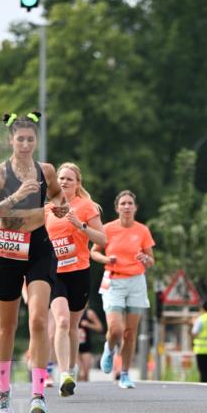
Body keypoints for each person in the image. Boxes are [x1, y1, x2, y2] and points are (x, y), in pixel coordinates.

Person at [0, 111, 66, 413]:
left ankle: (38, 395)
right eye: (20, 139)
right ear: (10, 140)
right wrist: (15, 196)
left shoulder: (47, 171)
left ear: (36, 140)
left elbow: (56, 194)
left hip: (39, 248)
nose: (25, 144)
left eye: (31, 139)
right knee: (7, 326)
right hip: (7, 251)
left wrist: (60, 204)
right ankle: (3, 394)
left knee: (40, 320)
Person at [45, 162, 106, 397]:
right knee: (60, 321)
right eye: (60, 178)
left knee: (72, 326)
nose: (64, 182)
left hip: (79, 271)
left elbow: (103, 238)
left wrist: (80, 226)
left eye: (69, 179)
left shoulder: (86, 206)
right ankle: (64, 374)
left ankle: (70, 367)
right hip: (54, 273)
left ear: (77, 183)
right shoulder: (47, 208)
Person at [90, 190, 155, 389]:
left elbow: (151, 260)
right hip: (114, 281)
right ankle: (109, 349)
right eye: (123, 204)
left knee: (129, 332)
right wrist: (106, 259)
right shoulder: (107, 229)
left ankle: (125, 374)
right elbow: (93, 252)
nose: (127, 207)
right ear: (117, 208)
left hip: (136, 281)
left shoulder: (142, 230)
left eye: (130, 203)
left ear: (135, 208)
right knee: (116, 330)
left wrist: (146, 259)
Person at [77, 305, 104, 381]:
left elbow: (100, 327)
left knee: (85, 373)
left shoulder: (89, 313)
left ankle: (86, 390)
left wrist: (88, 324)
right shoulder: (70, 312)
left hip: (86, 346)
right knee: (78, 372)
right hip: (74, 347)